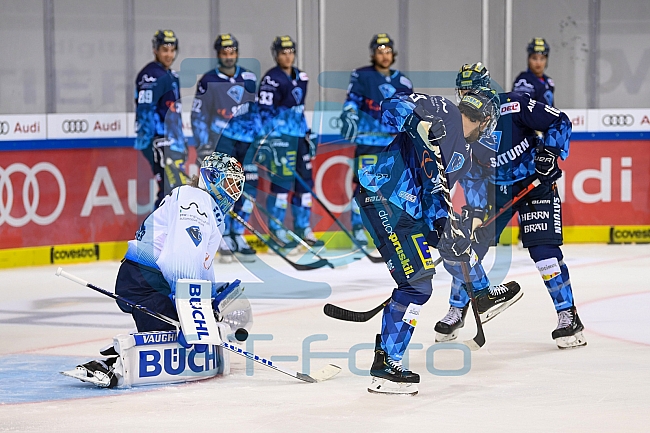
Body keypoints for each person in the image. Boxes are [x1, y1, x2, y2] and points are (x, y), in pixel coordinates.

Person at [357, 89, 518, 395]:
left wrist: (445, 225)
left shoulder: (463, 157)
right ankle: (386, 365)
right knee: (416, 286)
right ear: (487, 121)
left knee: (454, 243)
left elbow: (434, 191)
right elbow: (389, 103)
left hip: (409, 209)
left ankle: (481, 293)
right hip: (384, 198)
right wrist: (416, 123)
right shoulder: (441, 107)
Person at [435, 62, 586, 350]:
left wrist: (549, 154)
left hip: (535, 184)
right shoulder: (460, 125)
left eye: (473, 90)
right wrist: (477, 212)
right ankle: (457, 308)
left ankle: (568, 316)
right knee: (467, 246)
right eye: (463, 91)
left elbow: (559, 121)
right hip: (497, 191)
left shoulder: (515, 105)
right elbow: (472, 171)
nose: (467, 97)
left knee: (544, 253)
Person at [64, 152, 247, 388]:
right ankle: (114, 365)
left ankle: (140, 342)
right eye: (229, 182)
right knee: (175, 331)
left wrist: (207, 299)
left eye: (237, 185)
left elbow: (202, 263)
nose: (233, 191)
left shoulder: (208, 208)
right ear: (210, 177)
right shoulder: (195, 200)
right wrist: (191, 315)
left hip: (150, 280)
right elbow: (181, 259)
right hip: (145, 282)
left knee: (184, 329)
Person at [191, 34, 262, 263]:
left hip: (248, 142)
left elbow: (256, 111)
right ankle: (222, 237)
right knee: (222, 189)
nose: (228, 56)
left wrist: (262, 139)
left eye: (232, 51)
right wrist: (203, 145)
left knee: (249, 187)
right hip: (221, 142)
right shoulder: (208, 80)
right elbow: (199, 114)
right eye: (224, 51)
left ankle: (239, 235)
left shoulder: (249, 78)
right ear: (218, 54)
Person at [340, 33, 413, 246]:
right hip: (368, 141)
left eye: (388, 51)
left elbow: (410, 110)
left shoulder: (403, 81)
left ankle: (392, 227)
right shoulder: (362, 76)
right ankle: (358, 227)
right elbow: (351, 101)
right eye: (380, 51)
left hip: (394, 144)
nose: (385, 55)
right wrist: (350, 114)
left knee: (396, 186)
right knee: (364, 185)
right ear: (374, 54)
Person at [257, 36, 324, 248]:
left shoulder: (302, 77)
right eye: (283, 52)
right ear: (276, 54)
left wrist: (306, 133)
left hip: (299, 138)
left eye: (290, 51)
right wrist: (271, 141)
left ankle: (302, 228)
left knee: (305, 184)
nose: (287, 56)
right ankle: (276, 230)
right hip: (281, 140)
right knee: (281, 185)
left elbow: (299, 110)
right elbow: (264, 113)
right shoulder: (271, 79)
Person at [134, 30, 187, 208]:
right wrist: (154, 141)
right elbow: (144, 110)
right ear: (155, 50)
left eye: (172, 50)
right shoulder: (150, 75)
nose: (169, 54)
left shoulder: (172, 75)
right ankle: (154, 233)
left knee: (177, 191)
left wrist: (179, 141)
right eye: (165, 50)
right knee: (168, 190)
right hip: (158, 141)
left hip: (172, 141)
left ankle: (168, 233)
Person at [513, 38, 555, 107]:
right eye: (534, 58)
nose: (538, 63)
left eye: (542, 58)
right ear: (528, 59)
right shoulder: (523, 81)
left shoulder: (549, 81)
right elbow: (521, 107)